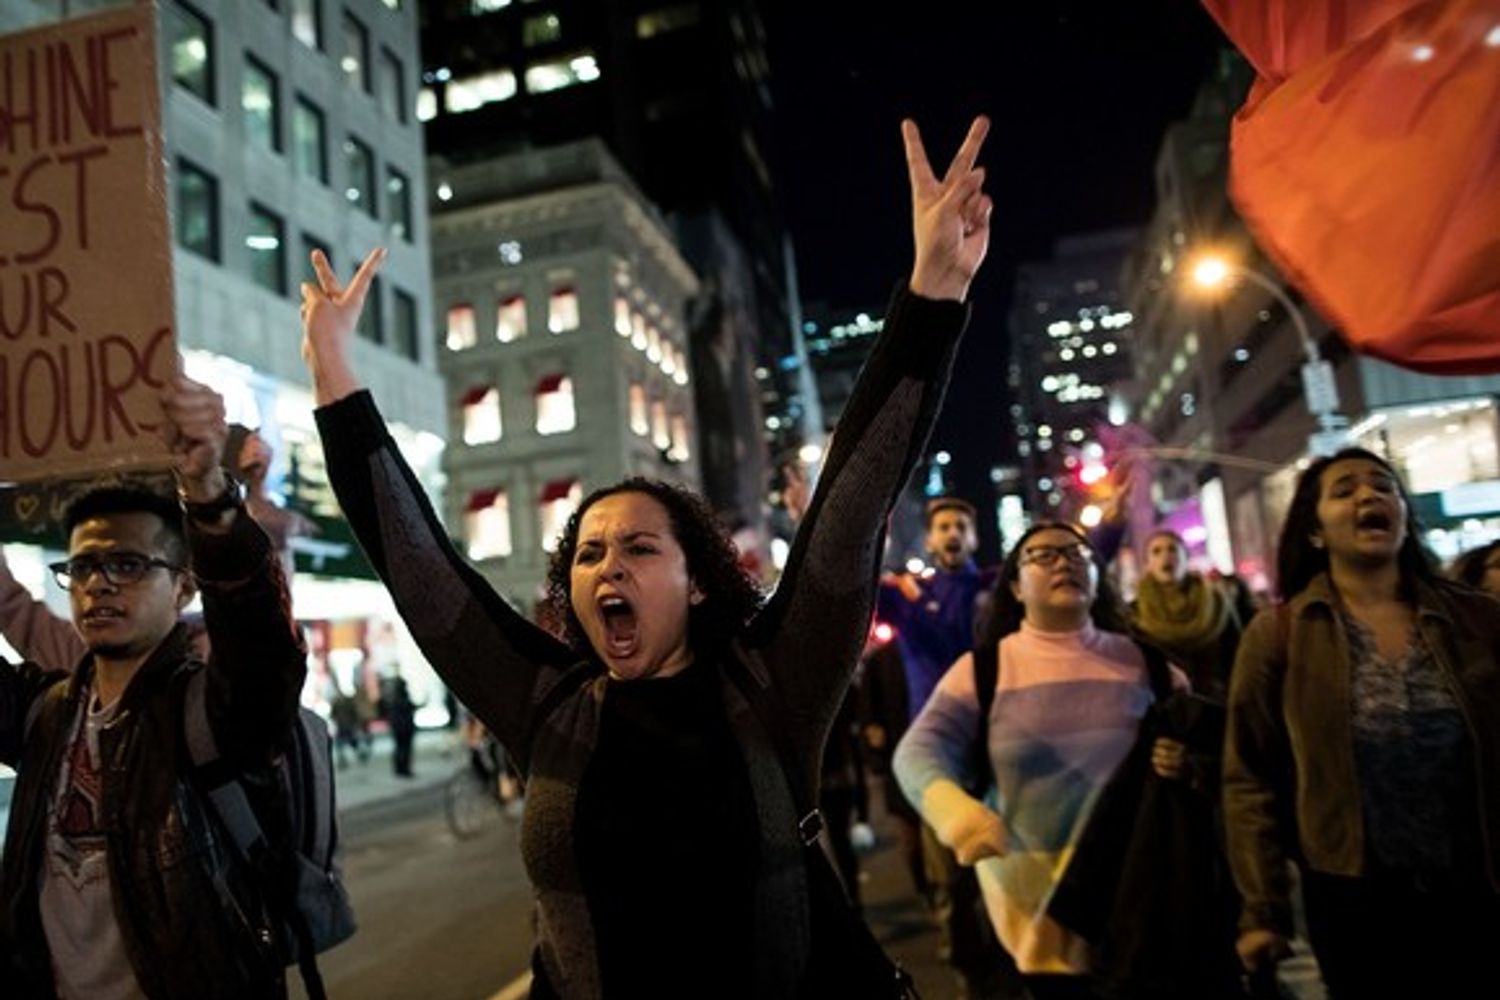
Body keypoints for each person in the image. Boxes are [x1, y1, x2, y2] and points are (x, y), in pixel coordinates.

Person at [300, 115, 991, 997]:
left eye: (637, 546)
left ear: (698, 580)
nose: (607, 567)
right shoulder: (546, 705)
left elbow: (851, 515)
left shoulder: (776, 680)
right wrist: (334, 373)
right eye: (588, 553)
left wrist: (932, 296)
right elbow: (422, 570)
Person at [0, 376, 308, 1000]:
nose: (99, 584)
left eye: (129, 564)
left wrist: (211, 494)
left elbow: (261, 643)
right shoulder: (46, 713)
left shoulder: (213, 713)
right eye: (83, 566)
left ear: (185, 587)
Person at [1225, 447, 1500, 999]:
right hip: (1354, 897)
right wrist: (1264, 910)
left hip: (1481, 885)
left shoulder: (1476, 619)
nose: (1369, 496)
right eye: (1345, 490)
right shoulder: (1279, 635)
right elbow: (1248, 780)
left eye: (1383, 486)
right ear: (1315, 532)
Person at [894, 522, 1193, 1000]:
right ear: (1015, 585)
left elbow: (1211, 756)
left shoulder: (1150, 667)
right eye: (1043, 556)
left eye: (1077, 553)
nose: (1064, 562)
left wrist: (1187, 761)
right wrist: (958, 814)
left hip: (1142, 909)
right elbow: (917, 752)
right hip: (1032, 923)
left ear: (1097, 575)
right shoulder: (983, 670)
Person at [1131, 529, 1245, 700]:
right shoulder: (1136, 613)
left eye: (1173, 549)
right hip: (1167, 711)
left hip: (1218, 704)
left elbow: (1237, 654)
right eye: (1156, 551)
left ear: (1186, 557)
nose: (1166, 556)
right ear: (1148, 563)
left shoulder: (1216, 603)